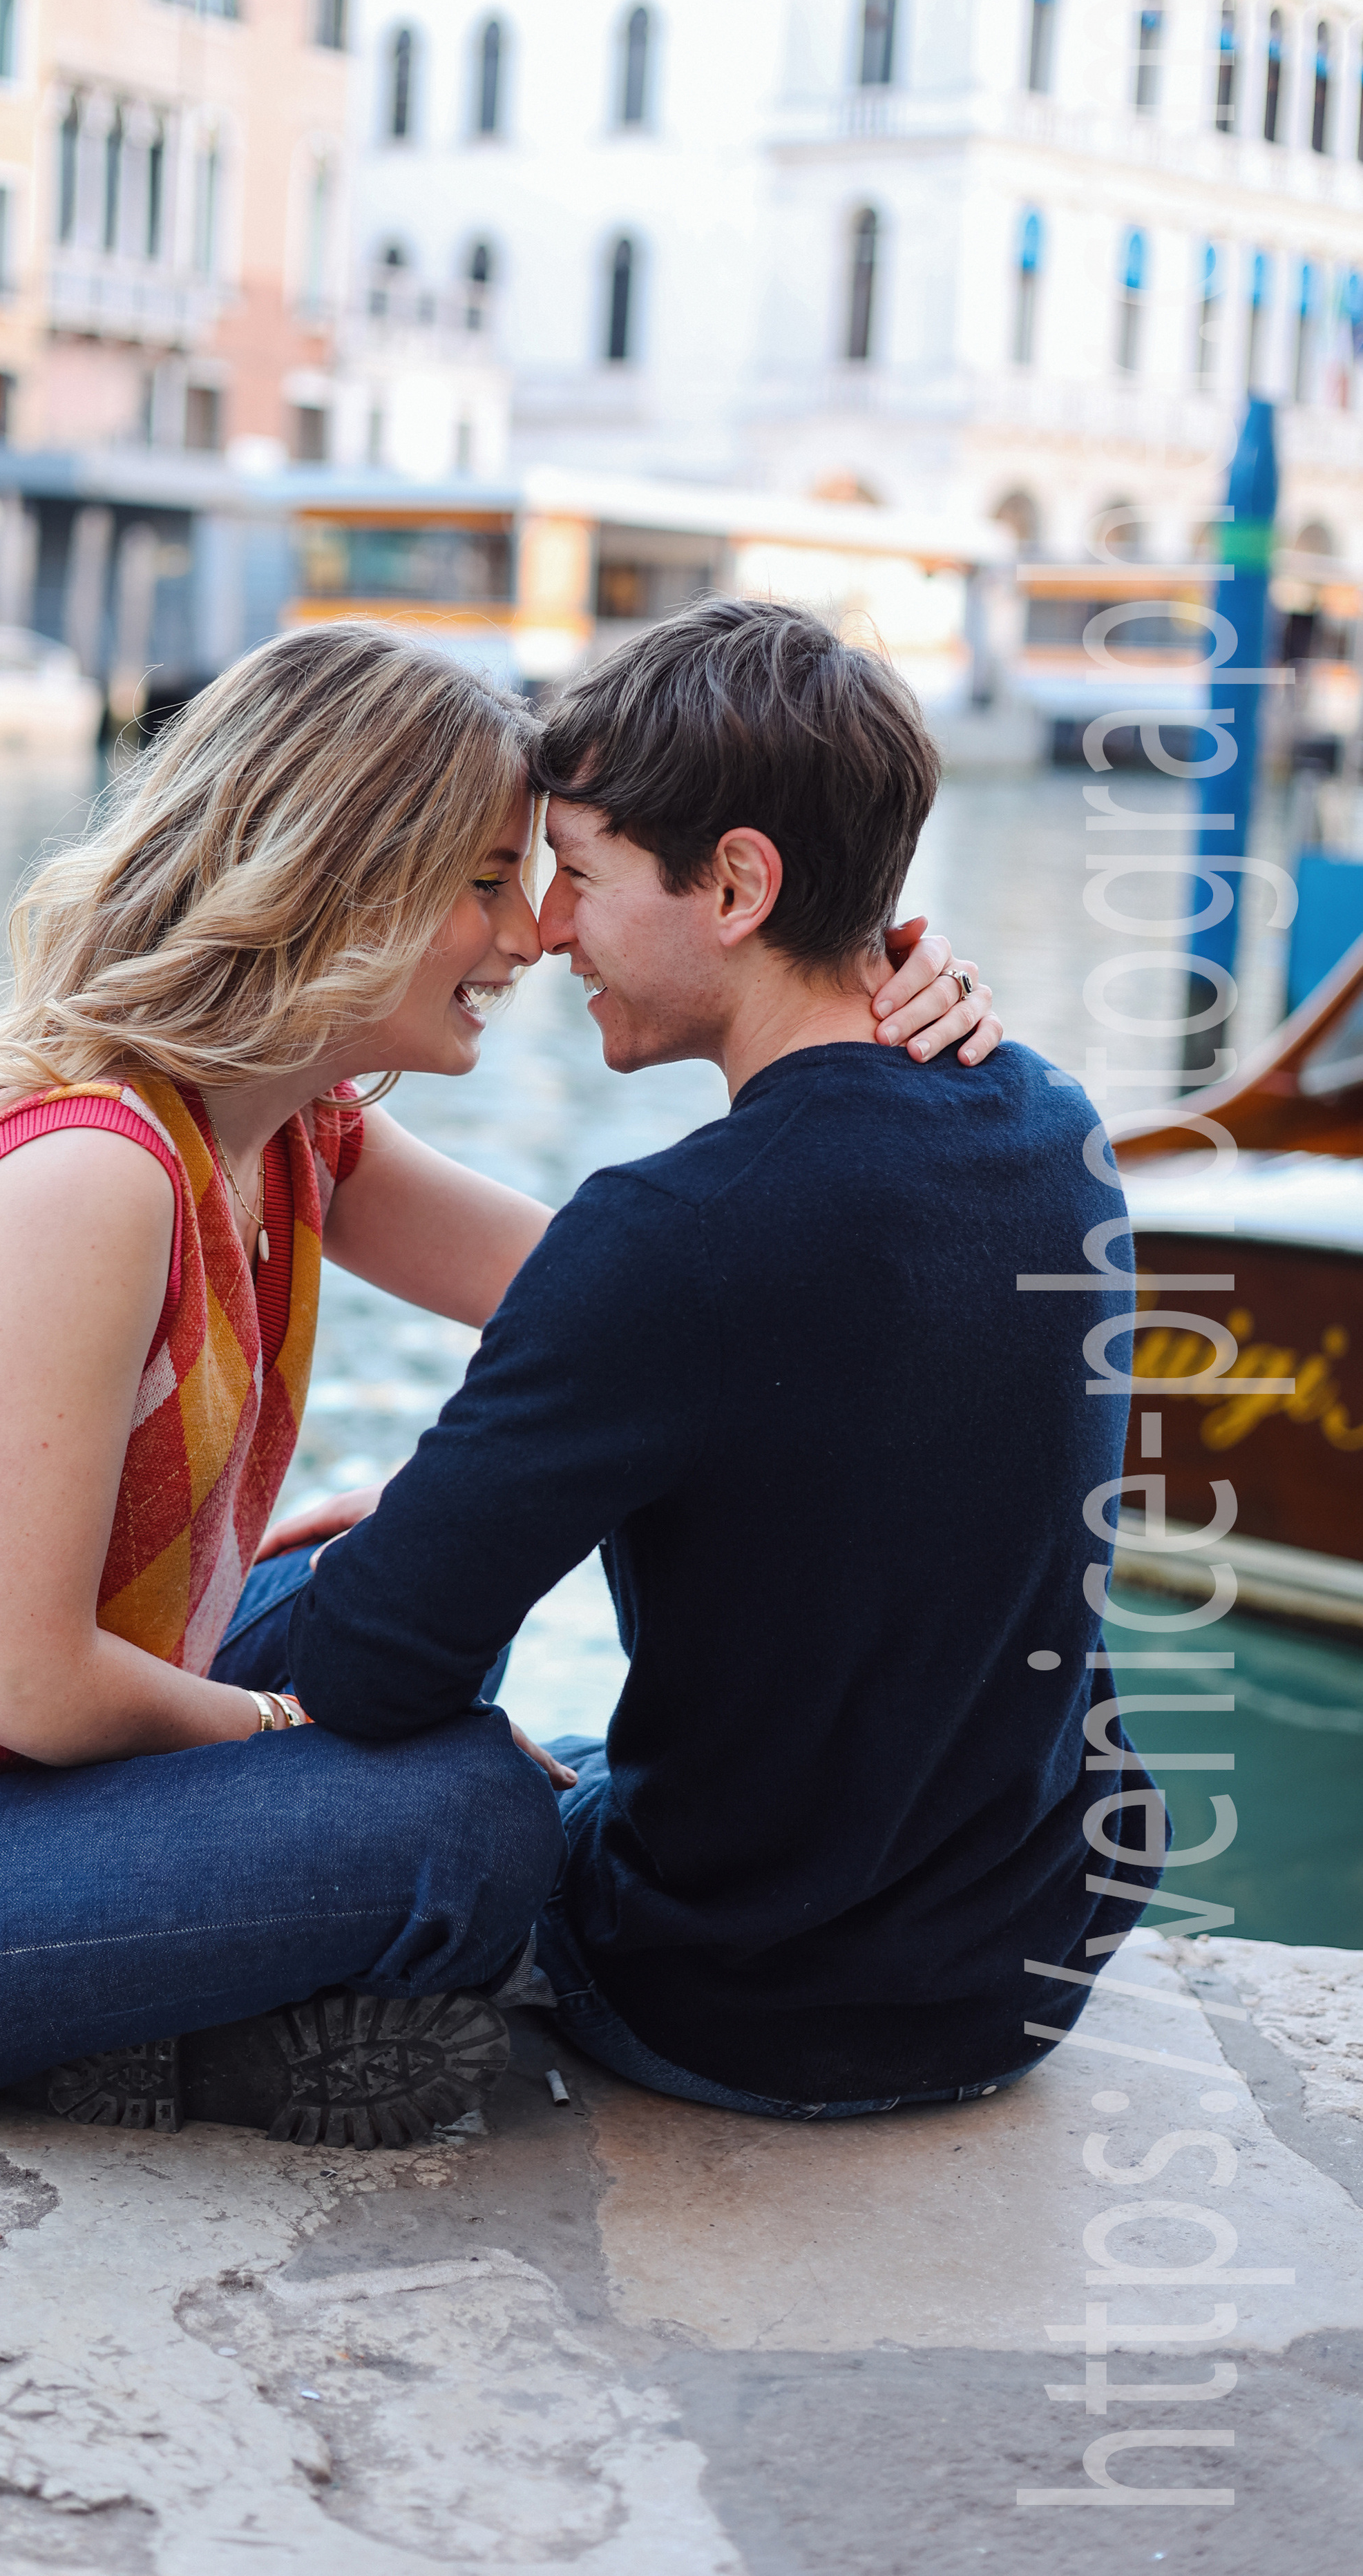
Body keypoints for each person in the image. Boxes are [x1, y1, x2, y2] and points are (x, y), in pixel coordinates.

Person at [0, 619, 994, 2148]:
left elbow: (651, 1317)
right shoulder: (92, 1179)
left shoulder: (293, 1131)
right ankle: (166, 2050)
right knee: (473, 1810)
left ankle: (171, 1971)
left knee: (396, 1601)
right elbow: (22, 1681)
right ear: (336, 881)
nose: (534, 934)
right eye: (483, 882)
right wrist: (314, 1722)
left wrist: (866, 1035)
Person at [276, 599, 1152, 2120]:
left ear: (738, 881)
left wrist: (405, 1538)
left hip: (740, 2002)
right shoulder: (1052, 1129)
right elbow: (790, 1382)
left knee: (404, 1737)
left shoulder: (666, 1239)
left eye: (579, 872)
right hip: (1021, 1971)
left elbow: (366, 1668)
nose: (549, 930)